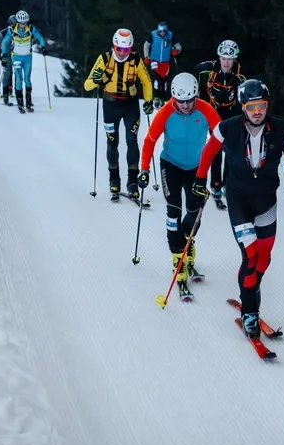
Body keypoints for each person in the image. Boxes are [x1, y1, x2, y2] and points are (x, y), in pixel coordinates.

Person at [193, 78, 284, 341]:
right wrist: (200, 180)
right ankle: (250, 312)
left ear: (267, 106)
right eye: (251, 106)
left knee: (264, 259)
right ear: (243, 107)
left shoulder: (280, 129)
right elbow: (208, 153)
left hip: (266, 202)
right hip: (239, 201)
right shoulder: (227, 128)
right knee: (251, 257)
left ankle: (250, 289)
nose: (257, 112)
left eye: (261, 106)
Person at [139, 72, 221, 298]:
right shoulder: (166, 112)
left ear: (196, 96)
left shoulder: (205, 110)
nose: (185, 105)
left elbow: (222, 134)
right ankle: (178, 258)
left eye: (189, 100)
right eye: (180, 101)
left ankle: (187, 242)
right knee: (173, 209)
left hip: (197, 167)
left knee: (196, 211)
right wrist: (144, 169)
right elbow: (149, 141)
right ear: (174, 97)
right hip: (171, 165)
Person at [84, 28, 153, 198]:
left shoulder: (136, 60)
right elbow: (87, 85)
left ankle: (132, 181)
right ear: (113, 46)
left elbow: (146, 81)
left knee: (132, 140)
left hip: (130, 105)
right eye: (119, 49)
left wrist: (149, 100)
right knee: (112, 142)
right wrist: (96, 80)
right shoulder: (104, 59)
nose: (122, 53)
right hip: (110, 105)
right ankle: (114, 178)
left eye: (126, 50)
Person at [193, 39, 245, 206]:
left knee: (230, 149)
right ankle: (216, 184)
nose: (226, 63)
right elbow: (194, 76)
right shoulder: (206, 69)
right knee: (216, 147)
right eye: (223, 58)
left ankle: (228, 184)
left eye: (230, 59)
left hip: (231, 115)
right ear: (219, 57)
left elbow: (244, 99)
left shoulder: (240, 76)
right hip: (212, 112)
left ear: (234, 59)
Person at [0, 10, 46, 112]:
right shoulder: (12, 29)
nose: (23, 25)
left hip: (27, 57)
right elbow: (5, 42)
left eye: (24, 23)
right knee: (19, 79)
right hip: (16, 57)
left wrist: (43, 47)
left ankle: (28, 103)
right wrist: (3, 54)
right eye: (21, 23)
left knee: (27, 80)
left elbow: (40, 38)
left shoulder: (31, 28)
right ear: (17, 22)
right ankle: (20, 104)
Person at [143, 20, 182, 110]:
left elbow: (178, 46)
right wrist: (146, 56)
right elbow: (146, 45)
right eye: (160, 31)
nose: (162, 33)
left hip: (165, 62)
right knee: (157, 80)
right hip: (154, 61)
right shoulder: (153, 35)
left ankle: (162, 98)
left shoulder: (170, 35)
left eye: (164, 31)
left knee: (164, 81)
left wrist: (176, 50)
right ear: (158, 30)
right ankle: (156, 98)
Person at [0, 15, 17, 105]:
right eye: (12, 23)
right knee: (7, 74)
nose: (13, 25)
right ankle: (5, 95)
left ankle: (14, 92)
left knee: (17, 74)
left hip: (16, 56)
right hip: (6, 56)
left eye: (15, 23)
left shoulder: (20, 32)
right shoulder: (4, 32)